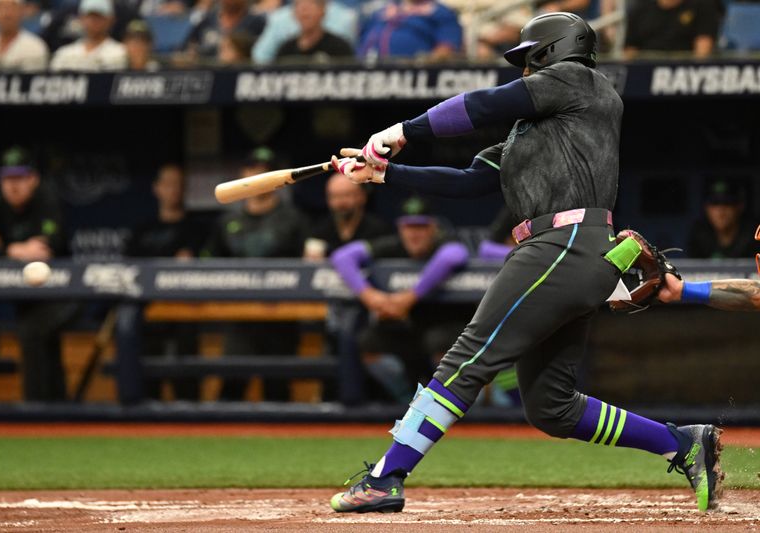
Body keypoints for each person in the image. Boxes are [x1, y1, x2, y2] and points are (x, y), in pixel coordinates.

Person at [328, 13, 722, 514]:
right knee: (551, 406)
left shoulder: (581, 82)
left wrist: (403, 131)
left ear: (552, 52)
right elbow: (470, 179)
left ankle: (386, 478)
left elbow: (483, 104)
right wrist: (386, 173)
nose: (524, 72)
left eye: (529, 60)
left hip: (565, 242)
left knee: (467, 358)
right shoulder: (531, 132)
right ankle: (681, 442)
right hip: (562, 252)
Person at [331, 196, 470, 402]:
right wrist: (370, 296)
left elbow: (454, 255)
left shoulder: (445, 242)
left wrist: (411, 296)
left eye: (420, 227)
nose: (414, 234)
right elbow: (342, 256)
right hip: (410, 330)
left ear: (433, 227)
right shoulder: (394, 244)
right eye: (408, 226)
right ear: (400, 228)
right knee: (368, 341)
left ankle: (449, 403)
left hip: (449, 327)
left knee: (438, 341)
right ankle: (408, 402)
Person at [0, 146, 71, 403]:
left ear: (33, 178)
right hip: (14, 292)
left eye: (20, 177)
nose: (13, 185)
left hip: (60, 294)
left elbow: (46, 248)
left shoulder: (47, 199)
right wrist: (12, 250)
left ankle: (36, 409)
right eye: (7, 178)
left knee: (32, 329)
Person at [201, 147, 309, 401]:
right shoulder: (228, 220)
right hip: (239, 314)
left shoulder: (294, 219)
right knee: (231, 386)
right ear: (243, 174)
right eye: (253, 169)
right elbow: (207, 260)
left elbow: (309, 263)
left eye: (265, 171)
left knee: (278, 390)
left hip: (281, 313)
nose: (258, 175)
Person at [125, 164, 202, 400]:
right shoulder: (142, 230)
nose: (174, 190)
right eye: (168, 184)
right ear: (157, 189)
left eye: (179, 185)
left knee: (185, 382)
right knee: (149, 382)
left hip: (184, 313)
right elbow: (128, 270)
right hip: (149, 313)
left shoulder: (196, 228)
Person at [304, 173, 391, 260]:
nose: (341, 202)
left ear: (362, 196)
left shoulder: (378, 230)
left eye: (347, 195)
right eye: (335, 196)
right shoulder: (319, 230)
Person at [251, 0, 357, 64]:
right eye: (299, 5)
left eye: (311, 4)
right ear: (293, 13)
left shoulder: (340, 47)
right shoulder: (285, 49)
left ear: (323, 11)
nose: (305, 10)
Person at [357, 0, 463, 62]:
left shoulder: (441, 12)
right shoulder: (385, 8)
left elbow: (446, 49)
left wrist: (421, 63)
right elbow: (362, 37)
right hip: (364, 70)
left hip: (410, 76)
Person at [624, 0, 719, 59]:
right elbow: (630, 51)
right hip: (646, 70)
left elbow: (702, 53)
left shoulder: (702, 6)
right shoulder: (640, 9)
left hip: (683, 72)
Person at [687, 180, 757, 259]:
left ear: (740, 207)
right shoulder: (699, 235)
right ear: (706, 208)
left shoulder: (755, 236)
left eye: (727, 203)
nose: (721, 211)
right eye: (715, 203)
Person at [49, 0, 128, 71]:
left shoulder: (120, 52)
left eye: (99, 17)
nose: (93, 21)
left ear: (110, 20)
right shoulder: (64, 53)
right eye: (89, 16)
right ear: (81, 18)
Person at [188, 0, 265, 59]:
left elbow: (259, 55)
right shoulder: (207, 20)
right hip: (205, 71)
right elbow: (191, 46)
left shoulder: (256, 22)